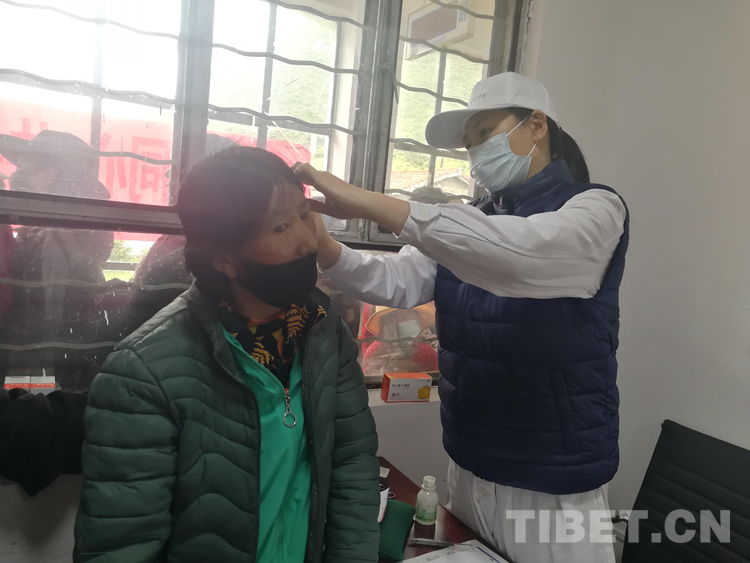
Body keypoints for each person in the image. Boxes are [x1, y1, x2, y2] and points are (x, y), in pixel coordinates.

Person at [295, 72, 628, 563]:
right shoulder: (475, 218)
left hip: (551, 482)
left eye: (485, 133)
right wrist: (325, 246)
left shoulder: (595, 209)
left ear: (537, 125)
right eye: (469, 144)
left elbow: (518, 256)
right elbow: (396, 281)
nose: (475, 153)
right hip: (470, 462)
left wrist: (371, 202)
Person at [74, 147, 380, 563]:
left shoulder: (323, 329)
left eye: (305, 215)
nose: (308, 242)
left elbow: (352, 466)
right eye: (281, 226)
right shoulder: (144, 373)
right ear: (225, 260)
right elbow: (121, 545)